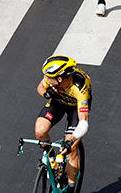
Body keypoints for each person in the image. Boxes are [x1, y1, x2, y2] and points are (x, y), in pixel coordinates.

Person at [35, 56, 90, 193]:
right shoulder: (52, 78)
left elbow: (83, 122)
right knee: (40, 131)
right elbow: (40, 88)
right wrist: (47, 94)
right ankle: (51, 156)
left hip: (75, 109)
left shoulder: (80, 87)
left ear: (60, 78)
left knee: (70, 150)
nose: (46, 78)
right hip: (58, 102)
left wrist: (71, 139)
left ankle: (71, 186)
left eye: (49, 77)